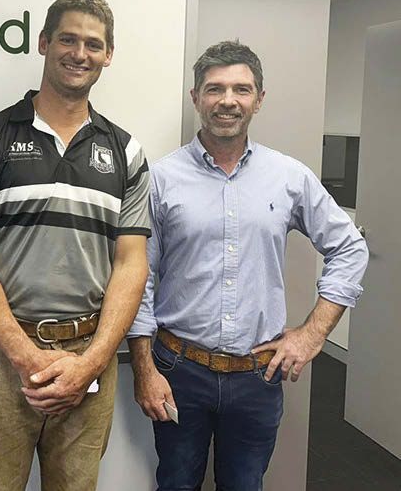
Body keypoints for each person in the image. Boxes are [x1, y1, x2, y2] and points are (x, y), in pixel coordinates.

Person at [127, 40, 369, 491]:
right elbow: (137, 278)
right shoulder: (160, 179)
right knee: (175, 484)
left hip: (257, 376)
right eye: (215, 89)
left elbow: (350, 247)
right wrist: (144, 370)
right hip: (179, 370)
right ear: (196, 97)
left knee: (244, 485)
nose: (228, 100)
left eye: (241, 89)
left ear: (259, 99)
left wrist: (312, 334)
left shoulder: (289, 176)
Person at [0, 0, 151, 491]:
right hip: (1, 355)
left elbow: (131, 263)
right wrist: (25, 356)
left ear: (108, 55)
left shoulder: (126, 153)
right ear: (43, 43)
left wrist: (92, 363)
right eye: (68, 39)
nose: (80, 53)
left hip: (90, 354)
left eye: (93, 44)